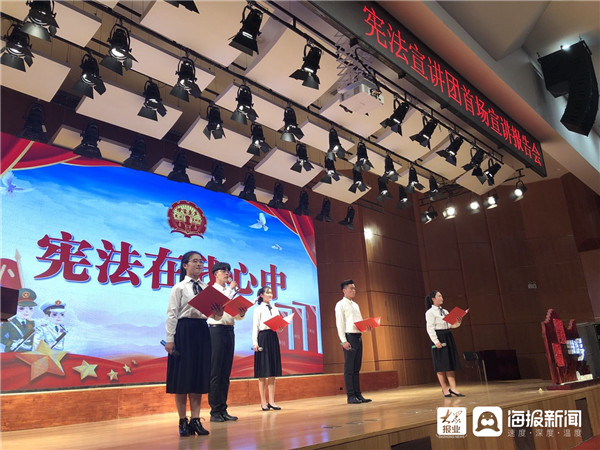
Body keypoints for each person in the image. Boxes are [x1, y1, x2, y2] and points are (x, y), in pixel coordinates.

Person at [165, 251, 223, 437]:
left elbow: (214, 316)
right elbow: (172, 314)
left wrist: (218, 312)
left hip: (202, 331)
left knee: (198, 377)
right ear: (185, 265)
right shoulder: (179, 288)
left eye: (201, 262)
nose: (199, 264)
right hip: (184, 331)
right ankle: (183, 421)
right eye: (195, 261)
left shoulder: (206, 288)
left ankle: (196, 420)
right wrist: (170, 339)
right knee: (183, 378)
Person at [207, 261, 247, 423]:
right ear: (215, 274)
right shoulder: (211, 291)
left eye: (228, 271)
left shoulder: (230, 293)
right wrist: (231, 290)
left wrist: (241, 313)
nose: (226, 273)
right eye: (223, 270)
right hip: (215, 331)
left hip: (229, 330)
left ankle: (223, 409)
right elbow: (218, 307)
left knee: (225, 372)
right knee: (215, 372)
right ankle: (215, 411)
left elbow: (235, 316)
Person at [335, 279, 371, 404]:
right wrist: (343, 341)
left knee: (357, 367)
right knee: (349, 368)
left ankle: (358, 394)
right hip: (349, 337)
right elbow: (339, 324)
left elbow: (358, 323)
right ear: (344, 290)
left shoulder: (356, 305)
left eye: (354, 288)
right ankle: (350, 396)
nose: (354, 290)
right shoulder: (340, 304)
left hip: (358, 336)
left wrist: (366, 327)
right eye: (351, 288)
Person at [425, 290, 465, 397]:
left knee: (450, 363)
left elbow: (450, 325)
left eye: (441, 296)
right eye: (439, 296)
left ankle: (453, 388)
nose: (441, 298)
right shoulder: (430, 312)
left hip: (448, 336)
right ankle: (444, 389)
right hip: (439, 337)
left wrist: (458, 322)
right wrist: (436, 341)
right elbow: (430, 328)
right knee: (441, 364)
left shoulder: (445, 311)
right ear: (433, 299)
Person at [252, 286, 282, 411]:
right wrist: (255, 343)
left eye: (271, 292)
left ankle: (272, 401)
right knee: (263, 371)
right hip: (263, 337)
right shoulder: (258, 309)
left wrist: (281, 327)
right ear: (261, 295)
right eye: (267, 292)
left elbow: (279, 326)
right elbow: (255, 326)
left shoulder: (275, 309)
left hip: (273, 337)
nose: (270, 294)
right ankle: (263, 402)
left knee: (272, 372)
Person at [1, 288, 38, 352]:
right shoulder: (8, 323)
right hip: (13, 352)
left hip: (28, 353)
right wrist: (11, 344)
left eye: (30, 308)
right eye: (21, 308)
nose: (27, 311)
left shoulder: (32, 323)